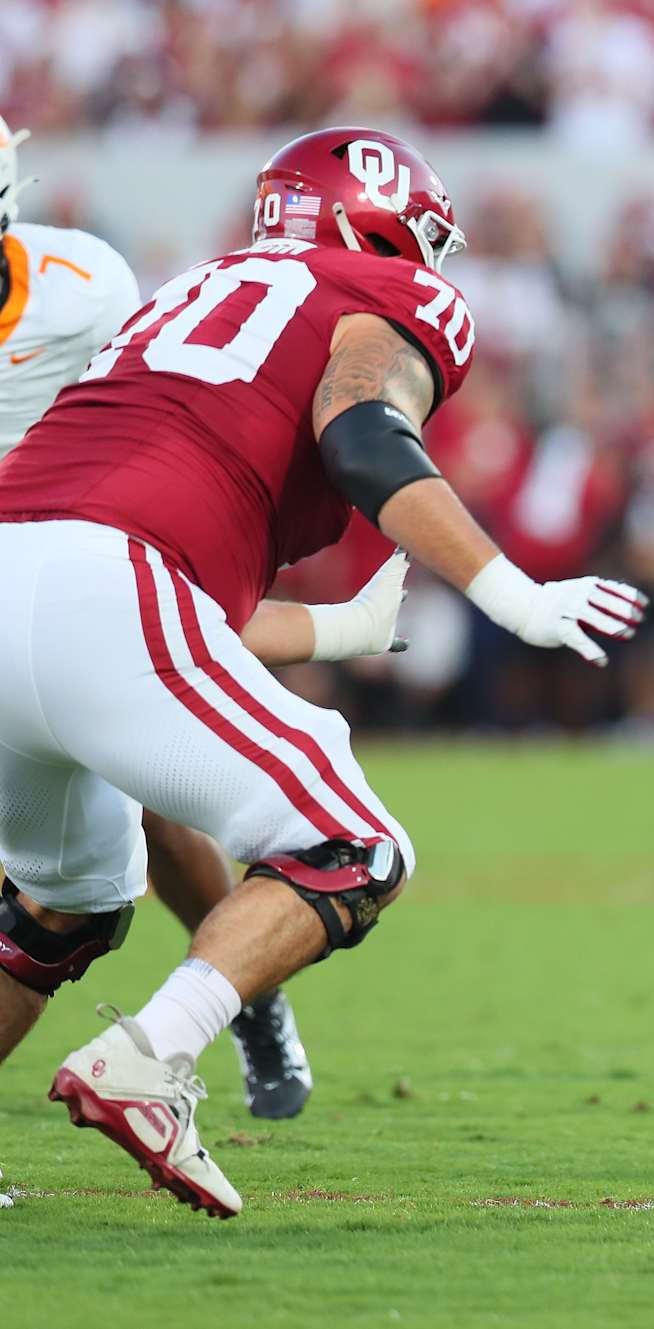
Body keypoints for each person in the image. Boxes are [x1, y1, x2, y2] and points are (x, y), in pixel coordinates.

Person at [0, 125, 648, 1219]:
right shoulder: (379, 294)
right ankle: (152, 1058)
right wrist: (513, 592)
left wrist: (340, 632)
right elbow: (361, 434)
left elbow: (132, 595)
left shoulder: (183, 294)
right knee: (352, 844)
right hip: (107, 581)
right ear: (377, 223)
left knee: (61, 898)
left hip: (31, 570)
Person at [0, 114, 411, 1119]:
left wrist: (329, 629)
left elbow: (159, 541)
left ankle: (243, 983)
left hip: (83, 570)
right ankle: (226, 988)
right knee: (80, 879)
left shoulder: (83, 289)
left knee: (114, 843)